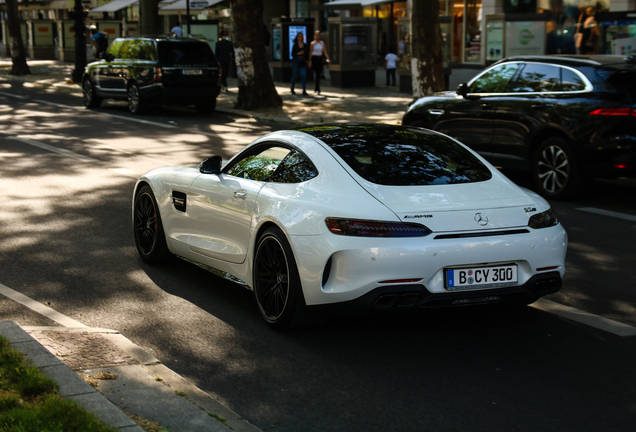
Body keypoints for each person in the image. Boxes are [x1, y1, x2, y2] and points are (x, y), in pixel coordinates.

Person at [308, 30, 330, 95]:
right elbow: (311, 52)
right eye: (316, 35)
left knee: (319, 73)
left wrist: (327, 58)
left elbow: (325, 52)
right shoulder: (312, 43)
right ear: (314, 36)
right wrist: (310, 61)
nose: (317, 36)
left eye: (318, 35)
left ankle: (317, 87)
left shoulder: (322, 43)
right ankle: (317, 87)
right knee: (316, 73)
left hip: (320, 58)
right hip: (314, 58)